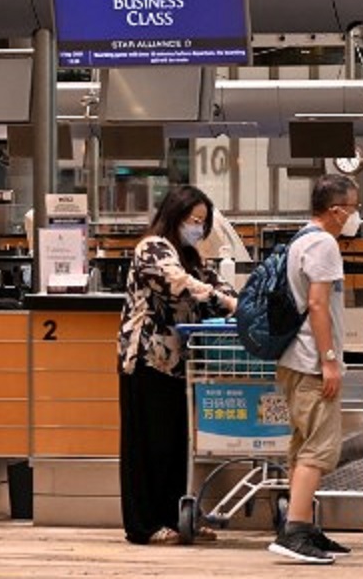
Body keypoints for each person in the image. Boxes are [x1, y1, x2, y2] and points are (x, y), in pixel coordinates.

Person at [117, 185, 237, 545]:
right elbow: (178, 286)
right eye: (193, 220)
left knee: (174, 445)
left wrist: (237, 300)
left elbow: (217, 287)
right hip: (146, 360)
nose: (197, 228)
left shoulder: (191, 256)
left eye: (203, 222)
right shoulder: (152, 247)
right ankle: (144, 525)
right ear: (174, 216)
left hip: (178, 364)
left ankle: (175, 518)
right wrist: (225, 301)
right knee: (147, 446)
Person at [267, 174, 361, 564]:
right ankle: (295, 533)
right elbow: (319, 306)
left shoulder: (301, 239)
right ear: (336, 210)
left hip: (293, 359)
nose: (356, 216)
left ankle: (302, 525)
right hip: (311, 362)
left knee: (303, 447)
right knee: (318, 451)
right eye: (353, 208)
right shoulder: (323, 244)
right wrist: (329, 361)